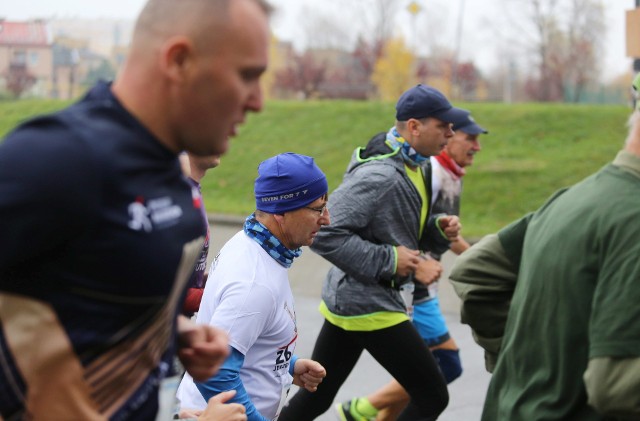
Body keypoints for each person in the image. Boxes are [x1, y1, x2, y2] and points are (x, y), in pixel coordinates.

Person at [0, 0, 272, 419]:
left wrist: (174, 333)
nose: (257, 102)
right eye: (246, 76)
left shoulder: (171, 174)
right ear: (178, 61)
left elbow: (90, 303)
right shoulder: (56, 159)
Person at [448, 76, 640, 421]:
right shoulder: (632, 218)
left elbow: (473, 269)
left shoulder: (572, 200)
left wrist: (532, 363)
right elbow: (615, 387)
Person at [279, 84, 465, 421]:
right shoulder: (381, 175)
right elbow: (325, 232)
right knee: (432, 395)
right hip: (370, 304)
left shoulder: (416, 167)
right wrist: (392, 261)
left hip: (356, 302)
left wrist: (437, 229)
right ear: (414, 127)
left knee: (316, 398)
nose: (451, 134)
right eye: (444, 126)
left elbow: (396, 228)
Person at [338, 111, 488, 420]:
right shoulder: (430, 170)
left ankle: (367, 412)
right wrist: (477, 260)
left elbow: (435, 230)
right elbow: (403, 230)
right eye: (469, 138)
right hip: (410, 285)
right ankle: (360, 409)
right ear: (447, 136)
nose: (477, 146)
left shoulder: (451, 173)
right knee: (445, 365)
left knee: (425, 375)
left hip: (417, 284)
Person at [177, 153, 329, 421]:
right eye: (317, 209)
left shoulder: (250, 241)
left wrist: (286, 366)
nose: (327, 219)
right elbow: (215, 370)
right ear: (282, 211)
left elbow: (237, 337)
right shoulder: (254, 283)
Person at [179, 152, 222, 318]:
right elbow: (154, 286)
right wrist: (215, 297)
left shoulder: (192, 189)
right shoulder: (176, 195)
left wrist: (205, 281)